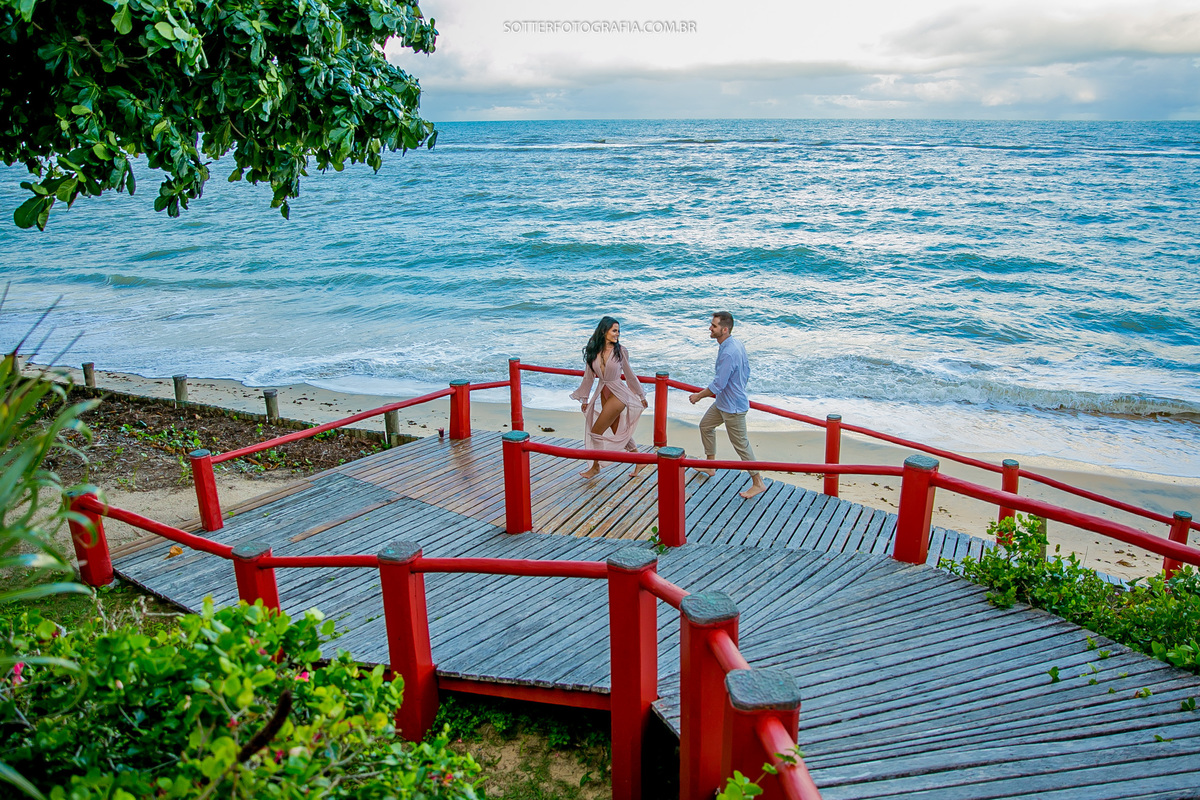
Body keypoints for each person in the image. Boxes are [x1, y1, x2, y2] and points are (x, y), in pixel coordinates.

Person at [688, 311, 767, 499]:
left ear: (724, 329)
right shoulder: (731, 344)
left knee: (741, 445)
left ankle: (758, 483)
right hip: (723, 402)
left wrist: (698, 396)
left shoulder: (730, 351)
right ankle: (710, 466)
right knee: (705, 426)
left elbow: (718, 384)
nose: (710, 328)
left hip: (733, 408)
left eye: (713, 326)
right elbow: (746, 371)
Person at [570, 316, 650, 479]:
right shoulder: (593, 351)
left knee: (595, 431)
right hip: (603, 391)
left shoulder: (621, 351)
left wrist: (641, 395)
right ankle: (639, 459)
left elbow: (629, 374)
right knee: (616, 429)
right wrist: (584, 398)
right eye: (614, 330)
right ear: (603, 331)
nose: (617, 334)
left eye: (619, 331)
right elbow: (588, 377)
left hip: (618, 393)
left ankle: (595, 466)